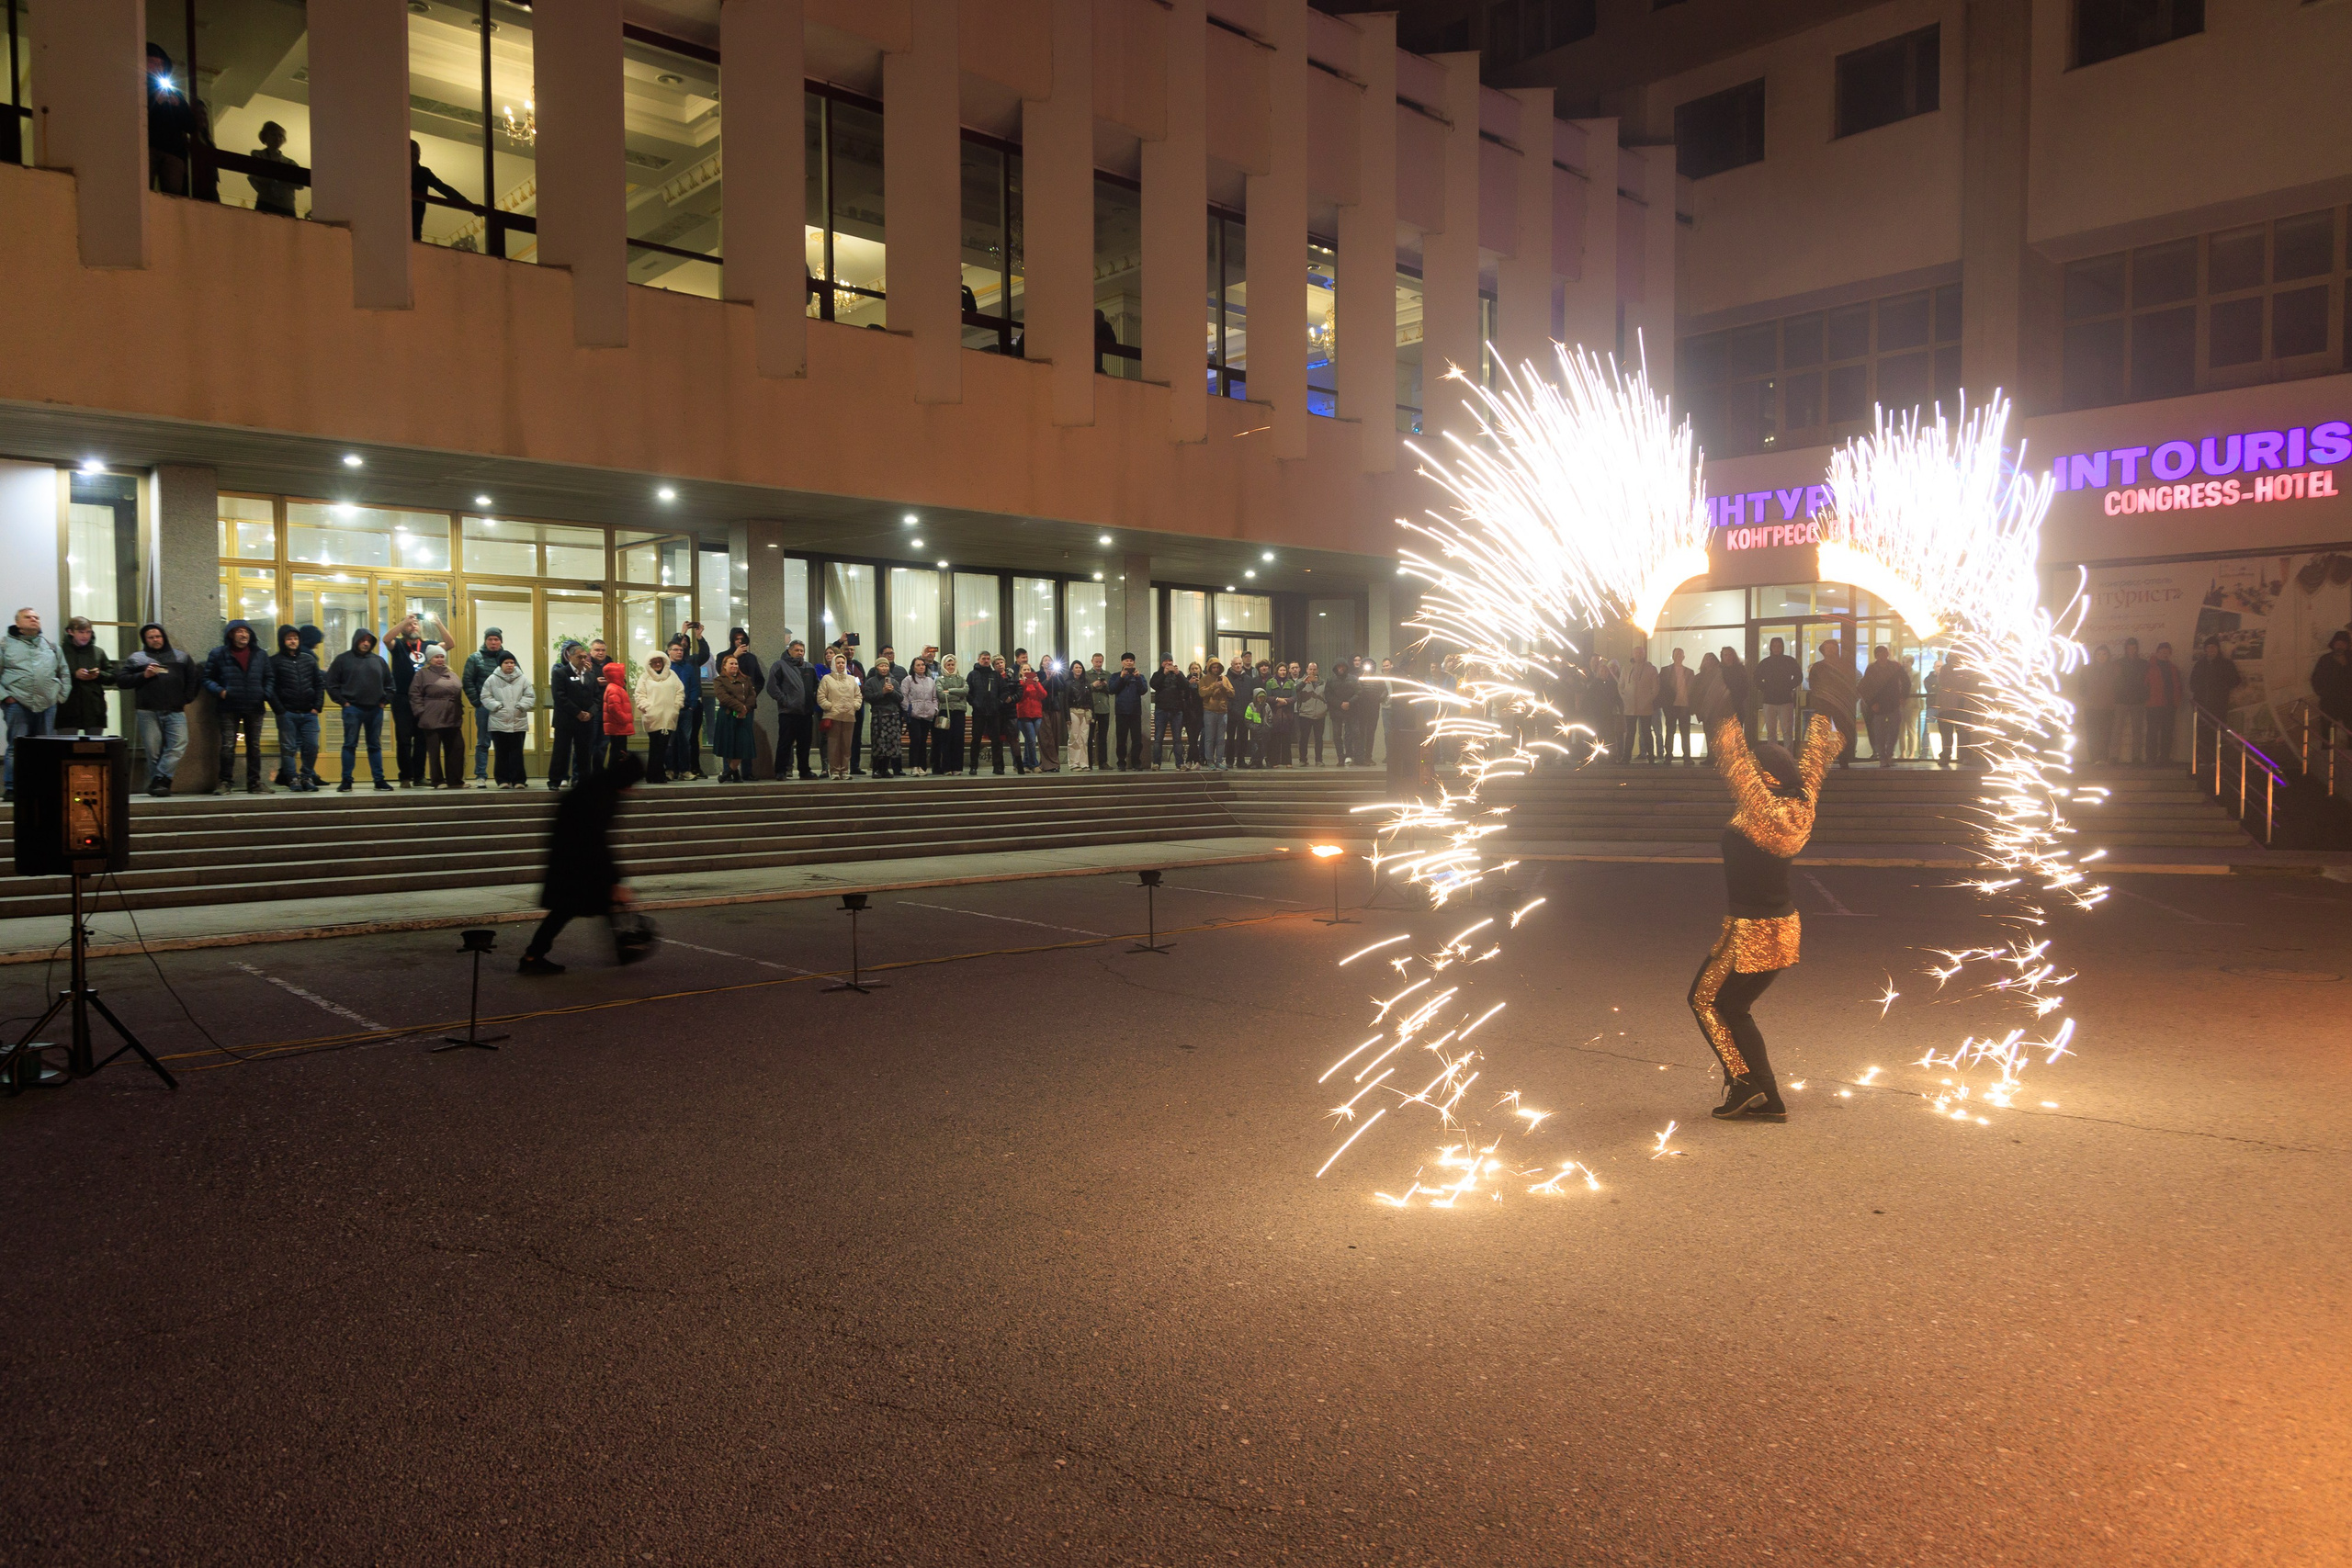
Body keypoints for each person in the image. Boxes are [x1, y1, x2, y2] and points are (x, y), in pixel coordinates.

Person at [1685, 656, 1838, 1122]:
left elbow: (1733, 756)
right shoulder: (1801, 806)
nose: (1745, 775)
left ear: (1764, 780)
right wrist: (1826, 710)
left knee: (1706, 1000)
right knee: (1737, 1006)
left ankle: (1744, 1082)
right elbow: (1815, 762)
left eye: (1755, 771)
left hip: (1752, 930)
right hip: (1784, 926)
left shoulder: (1761, 812)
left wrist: (1718, 704)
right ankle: (1766, 1096)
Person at [518, 748, 647, 975]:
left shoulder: (600, 786)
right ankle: (532, 956)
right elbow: (596, 838)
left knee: (578, 907)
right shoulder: (602, 794)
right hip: (575, 860)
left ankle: (621, 949)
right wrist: (615, 881)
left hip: (574, 856)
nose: (631, 789)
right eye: (631, 782)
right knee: (565, 909)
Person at [120, 622, 202, 795]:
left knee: (179, 744)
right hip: (147, 711)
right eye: (151, 637)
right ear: (145, 639)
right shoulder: (137, 658)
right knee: (153, 751)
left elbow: (194, 679)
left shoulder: (181, 657)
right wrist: (144, 675)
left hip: (175, 710)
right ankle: (161, 786)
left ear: (163, 637)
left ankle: (159, 779)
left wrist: (186, 698)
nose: (155, 640)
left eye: (158, 636)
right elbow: (122, 680)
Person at [2, 607, 67, 801]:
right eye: (28, 617)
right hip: (17, 704)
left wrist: (59, 696)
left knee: (47, 747)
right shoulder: (4, 645)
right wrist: (5, 697)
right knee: (17, 746)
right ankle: (12, 787)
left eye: (36, 617)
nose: (34, 620)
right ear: (17, 623)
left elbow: (64, 673)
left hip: (47, 705)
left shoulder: (51, 646)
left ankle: (44, 785)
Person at [202, 617, 271, 794]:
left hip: (254, 706)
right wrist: (220, 691)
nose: (244, 634)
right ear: (231, 634)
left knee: (254, 746)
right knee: (227, 746)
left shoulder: (260, 654)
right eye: (239, 631)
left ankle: (254, 783)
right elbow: (207, 678)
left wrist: (263, 693)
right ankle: (225, 782)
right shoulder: (218, 654)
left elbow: (270, 677)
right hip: (228, 707)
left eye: (246, 631)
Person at [324, 627, 391, 792]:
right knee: (350, 744)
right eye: (362, 640)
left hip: (375, 709)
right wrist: (343, 702)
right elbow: (331, 684)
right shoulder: (343, 660)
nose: (366, 643)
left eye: (369, 640)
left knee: (374, 745)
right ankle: (346, 780)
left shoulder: (379, 661)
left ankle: (379, 780)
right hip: (352, 709)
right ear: (356, 641)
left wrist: (383, 702)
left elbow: (390, 685)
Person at [265, 622, 326, 791]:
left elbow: (319, 683)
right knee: (288, 748)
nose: (293, 641)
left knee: (312, 746)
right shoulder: (274, 661)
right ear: (282, 641)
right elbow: (269, 688)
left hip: (309, 713)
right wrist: (280, 710)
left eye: (295, 638)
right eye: (289, 638)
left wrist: (317, 706)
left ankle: (307, 777)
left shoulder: (308, 659)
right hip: (287, 713)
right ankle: (292, 778)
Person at [386, 613, 434, 785]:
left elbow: (450, 644)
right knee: (404, 739)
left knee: (422, 739)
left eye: (415, 624)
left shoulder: (427, 645)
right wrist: (403, 621)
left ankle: (419, 776)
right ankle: (405, 776)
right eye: (410, 624)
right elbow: (386, 639)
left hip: (423, 699)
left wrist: (438, 622)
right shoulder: (398, 644)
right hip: (402, 698)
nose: (413, 626)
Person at [410, 646, 468, 788]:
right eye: (436, 657)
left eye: (442, 656)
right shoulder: (422, 674)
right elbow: (415, 694)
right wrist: (421, 712)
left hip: (452, 717)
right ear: (430, 659)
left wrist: (459, 712)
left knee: (457, 748)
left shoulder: (452, 673)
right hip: (432, 716)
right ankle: (437, 780)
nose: (440, 659)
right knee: (434, 751)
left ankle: (455, 780)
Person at [548, 641, 600, 788]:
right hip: (566, 720)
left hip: (586, 721)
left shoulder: (590, 675)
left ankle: (584, 781)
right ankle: (555, 781)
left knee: (584, 752)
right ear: (570, 657)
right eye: (580, 657)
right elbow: (560, 696)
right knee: (561, 752)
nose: (583, 660)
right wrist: (577, 712)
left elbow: (597, 697)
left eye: (585, 657)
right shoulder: (560, 673)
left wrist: (590, 713)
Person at [481, 652, 535, 787]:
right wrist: (497, 706)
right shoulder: (492, 679)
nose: (510, 665)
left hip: (518, 721)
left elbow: (530, 696)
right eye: (506, 662)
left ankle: (519, 780)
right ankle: (502, 780)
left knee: (517, 753)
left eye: (512, 662)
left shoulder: (523, 679)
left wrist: (521, 706)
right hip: (498, 722)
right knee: (501, 753)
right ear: (501, 664)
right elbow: (485, 696)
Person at [55, 616, 116, 737]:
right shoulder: (59, 652)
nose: (85, 636)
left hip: (94, 708)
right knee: (66, 749)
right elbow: (51, 677)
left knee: (94, 749)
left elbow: (112, 677)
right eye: (81, 632)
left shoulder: (98, 652)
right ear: (70, 632)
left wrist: (99, 674)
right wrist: (74, 675)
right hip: (67, 707)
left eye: (88, 632)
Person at [462, 626, 506, 783]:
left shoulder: (507, 658)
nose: (493, 642)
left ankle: (505, 777)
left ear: (501, 641)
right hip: (484, 708)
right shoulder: (475, 658)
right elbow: (467, 681)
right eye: (490, 639)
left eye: (496, 639)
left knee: (504, 743)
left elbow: (518, 678)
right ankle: (481, 775)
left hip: (504, 709)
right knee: (483, 742)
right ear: (485, 640)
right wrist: (478, 703)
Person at [1805, 638, 1858, 767]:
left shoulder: (1844, 666)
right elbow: (1814, 684)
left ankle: (1844, 759)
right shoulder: (1818, 667)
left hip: (1841, 704)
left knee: (1843, 731)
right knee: (1822, 732)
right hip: (1824, 704)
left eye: (1833, 648)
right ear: (1823, 650)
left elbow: (1852, 682)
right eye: (1828, 648)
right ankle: (1820, 759)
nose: (1830, 650)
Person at [633, 651, 684, 784]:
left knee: (662, 747)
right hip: (652, 718)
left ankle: (656, 774)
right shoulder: (645, 677)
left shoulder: (672, 675)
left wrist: (676, 707)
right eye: (654, 662)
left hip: (669, 717)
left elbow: (680, 691)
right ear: (649, 664)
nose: (657, 664)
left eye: (659, 662)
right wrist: (647, 708)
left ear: (664, 662)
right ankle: (654, 775)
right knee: (655, 747)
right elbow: (639, 695)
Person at [769, 639, 817, 780]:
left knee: (805, 745)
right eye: (797, 650)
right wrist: (785, 701)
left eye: (802, 651)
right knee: (785, 743)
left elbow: (816, 686)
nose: (800, 653)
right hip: (788, 712)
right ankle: (780, 771)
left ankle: (804, 771)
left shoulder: (809, 667)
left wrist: (812, 699)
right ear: (789, 651)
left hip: (806, 713)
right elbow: (772, 687)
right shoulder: (780, 665)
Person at [708, 652, 758, 783]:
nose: (734, 666)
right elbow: (723, 697)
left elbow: (752, 695)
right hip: (728, 717)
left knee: (742, 746)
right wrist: (740, 707)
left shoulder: (746, 679)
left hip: (744, 717)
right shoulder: (719, 680)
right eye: (731, 663)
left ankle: (729, 771)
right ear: (724, 666)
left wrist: (746, 708)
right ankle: (735, 773)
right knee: (730, 746)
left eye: (736, 663)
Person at [1858, 645, 1909, 768]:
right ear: (1876, 656)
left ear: (1887, 654)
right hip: (1881, 705)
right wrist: (1872, 703)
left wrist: (1903, 696)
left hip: (1889, 704)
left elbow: (1906, 681)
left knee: (1891, 730)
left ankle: (1887, 754)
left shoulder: (1884, 668)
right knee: (1882, 732)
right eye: (1880, 654)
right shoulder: (1889, 667)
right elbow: (1864, 687)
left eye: (1884, 653)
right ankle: (1884, 755)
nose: (1882, 656)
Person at [410, 140, 469, 243]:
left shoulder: (423, 173)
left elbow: (444, 188)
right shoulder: (394, 172)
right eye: (411, 155)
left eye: (416, 155)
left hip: (414, 228)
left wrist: (468, 205)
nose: (414, 159)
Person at [818, 651, 862, 779]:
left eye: (843, 663)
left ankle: (845, 770)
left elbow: (858, 695)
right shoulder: (827, 679)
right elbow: (821, 696)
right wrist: (830, 706)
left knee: (846, 745)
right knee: (833, 745)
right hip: (833, 716)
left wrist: (855, 706)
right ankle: (835, 771)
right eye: (838, 663)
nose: (841, 665)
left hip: (849, 716)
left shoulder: (852, 679)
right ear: (833, 664)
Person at [865, 650, 907, 779]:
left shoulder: (894, 681)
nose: (884, 668)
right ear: (876, 667)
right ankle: (876, 769)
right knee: (879, 743)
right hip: (879, 716)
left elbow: (900, 698)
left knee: (890, 744)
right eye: (881, 666)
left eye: (886, 666)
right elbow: (868, 697)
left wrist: (892, 691)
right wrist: (882, 692)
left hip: (893, 716)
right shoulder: (870, 682)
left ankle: (885, 769)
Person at [667, 635, 704, 780]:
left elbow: (694, 688)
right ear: (668, 651)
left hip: (686, 711)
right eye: (675, 649)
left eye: (681, 650)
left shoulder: (689, 668)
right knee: (669, 742)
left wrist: (691, 706)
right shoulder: (665, 668)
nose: (679, 652)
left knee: (685, 742)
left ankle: (685, 770)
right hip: (669, 711)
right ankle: (669, 770)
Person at [1753, 637, 1802, 746]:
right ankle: (1774, 755)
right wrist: (1766, 688)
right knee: (1772, 732)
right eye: (1774, 646)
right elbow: (1756, 678)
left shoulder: (1788, 661)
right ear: (1771, 647)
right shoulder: (1766, 663)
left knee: (1787, 731)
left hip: (1783, 700)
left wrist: (1787, 686)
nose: (1776, 648)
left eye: (1779, 646)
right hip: (1771, 700)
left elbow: (1799, 676)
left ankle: (1787, 756)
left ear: (1782, 647)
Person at [249, 119, 300, 218]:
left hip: (287, 206)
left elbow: (300, 184)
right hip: (266, 203)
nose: (277, 138)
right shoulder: (258, 154)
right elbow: (258, 175)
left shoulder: (291, 162)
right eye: (273, 134)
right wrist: (285, 179)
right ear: (265, 137)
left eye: (280, 136)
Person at [2112, 637, 2151, 765]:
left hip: (2137, 701)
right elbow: (2115, 682)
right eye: (2129, 647)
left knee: (2137, 730)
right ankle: (2113, 756)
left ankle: (2136, 757)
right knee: (2117, 729)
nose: (2131, 650)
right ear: (2125, 648)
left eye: (2134, 647)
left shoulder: (2143, 663)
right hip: (2121, 700)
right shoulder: (2119, 663)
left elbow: (2147, 682)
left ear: (2137, 648)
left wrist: (2144, 696)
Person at [2076, 644, 2117, 765]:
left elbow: (2119, 687)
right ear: (2095, 656)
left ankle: (2103, 758)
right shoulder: (2086, 669)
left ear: (2108, 655)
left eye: (2104, 654)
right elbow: (2081, 687)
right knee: (2092, 734)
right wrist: (2086, 699)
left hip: (2108, 707)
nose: (2101, 657)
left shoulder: (2114, 669)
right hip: (2091, 707)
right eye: (2099, 654)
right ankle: (2093, 758)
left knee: (2106, 734)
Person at [2309, 630, 2352, 738]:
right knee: (2327, 729)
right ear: (2333, 644)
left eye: (2343, 644)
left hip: (2349, 701)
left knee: (2350, 729)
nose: (2340, 646)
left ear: (2347, 645)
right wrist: (2322, 693)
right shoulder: (2325, 659)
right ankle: (2327, 752)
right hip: (2329, 701)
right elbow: (2316, 679)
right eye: (2338, 644)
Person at [2146, 642, 2183, 765]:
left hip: (2169, 705)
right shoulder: (2148, 667)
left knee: (2167, 733)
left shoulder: (2173, 668)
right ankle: (2151, 758)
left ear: (2170, 653)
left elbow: (2177, 686)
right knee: (2152, 732)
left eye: (2167, 652)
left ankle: (2164, 758)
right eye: (2162, 652)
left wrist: (2176, 702)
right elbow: (2144, 685)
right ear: (2157, 653)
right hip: (2153, 705)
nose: (2164, 655)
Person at [1619, 650, 1659, 762]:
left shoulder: (1651, 669)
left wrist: (1648, 700)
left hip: (1645, 707)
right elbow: (1621, 685)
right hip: (1630, 707)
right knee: (1630, 733)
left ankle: (1651, 756)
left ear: (1644, 655)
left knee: (1646, 732)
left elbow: (1655, 688)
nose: (1638, 655)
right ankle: (1626, 756)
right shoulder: (1626, 669)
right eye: (1636, 653)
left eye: (1640, 653)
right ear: (1633, 655)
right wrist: (1625, 699)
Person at [902, 657, 940, 775]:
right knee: (916, 739)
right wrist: (909, 709)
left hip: (927, 715)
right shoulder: (908, 680)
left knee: (923, 741)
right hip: (914, 715)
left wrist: (934, 709)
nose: (921, 667)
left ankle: (922, 767)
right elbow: (903, 696)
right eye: (918, 665)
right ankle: (914, 766)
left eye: (923, 665)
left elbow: (935, 698)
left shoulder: (930, 681)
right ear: (913, 667)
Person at [1657, 648, 1695, 762]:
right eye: (1676, 654)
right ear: (1673, 656)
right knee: (1671, 731)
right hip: (1671, 706)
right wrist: (1664, 704)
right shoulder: (1665, 671)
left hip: (1684, 705)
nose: (1678, 656)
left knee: (1684, 732)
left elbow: (1693, 690)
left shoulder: (1689, 672)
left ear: (1683, 657)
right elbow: (1661, 689)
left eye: (1680, 654)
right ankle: (1669, 755)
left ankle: (1686, 756)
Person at [1149, 655, 1187, 769]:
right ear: (1161, 663)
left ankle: (1179, 763)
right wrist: (1164, 674)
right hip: (1161, 710)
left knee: (1177, 739)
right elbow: (1154, 685)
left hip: (1176, 710)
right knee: (1158, 738)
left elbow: (1185, 685)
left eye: (1170, 660)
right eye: (1166, 661)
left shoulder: (1178, 674)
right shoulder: (1157, 675)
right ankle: (1156, 763)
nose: (1168, 663)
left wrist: (1178, 674)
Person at [1110, 653, 1146, 770]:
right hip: (1121, 711)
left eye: (1131, 661)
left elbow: (1143, 690)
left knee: (1137, 740)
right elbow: (1112, 689)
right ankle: (1121, 762)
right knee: (1121, 740)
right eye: (1126, 660)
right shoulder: (1115, 676)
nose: (1129, 662)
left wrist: (1138, 678)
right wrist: (1121, 677)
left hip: (1135, 712)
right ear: (1122, 662)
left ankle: (1136, 762)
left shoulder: (1140, 676)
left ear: (1134, 663)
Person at [598, 658, 636, 770]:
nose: (623, 676)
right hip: (618, 727)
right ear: (616, 675)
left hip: (618, 727)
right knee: (618, 752)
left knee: (618, 751)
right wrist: (626, 719)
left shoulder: (615, 688)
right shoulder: (614, 689)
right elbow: (614, 708)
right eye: (621, 674)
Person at [936, 655, 968, 774]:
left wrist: (949, 691)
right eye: (948, 665)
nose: (950, 667)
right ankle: (947, 767)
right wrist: (958, 694)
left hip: (959, 712)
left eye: (952, 665)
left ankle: (957, 767)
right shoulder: (940, 679)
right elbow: (940, 695)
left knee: (958, 740)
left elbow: (965, 691)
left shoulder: (961, 678)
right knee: (946, 739)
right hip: (945, 712)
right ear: (944, 666)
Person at [1197, 660, 1231, 771]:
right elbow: (1202, 693)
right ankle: (1210, 760)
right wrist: (1214, 686)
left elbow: (1232, 693)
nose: (1216, 669)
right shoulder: (1204, 679)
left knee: (1221, 738)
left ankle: (1219, 761)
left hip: (1222, 712)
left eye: (1217, 667)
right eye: (1213, 667)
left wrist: (1224, 688)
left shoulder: (1225, 679)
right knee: (1209, 738)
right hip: (1209, 711)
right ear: (1210, 668)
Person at [1296, 662, 1329, 765]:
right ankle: (1303, 759)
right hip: (1305, 714)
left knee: (1319, 738)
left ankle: (1319, 760)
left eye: (1314, 669)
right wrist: (1303, 683)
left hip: (1320, 714)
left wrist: (1325, 708)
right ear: (1306, 670)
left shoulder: (1323, 682)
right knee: (1304, 738)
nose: (1312, 671)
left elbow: (1328, 696)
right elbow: (1294, 691)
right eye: (1310, 669)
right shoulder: (1300, 682)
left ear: (1318, 670)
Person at [1085, 653, 1114, 770]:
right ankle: (1088, 762)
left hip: (1104, 709)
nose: (1098, 664)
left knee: (1103, 737)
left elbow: (1112, 690)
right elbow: (1083, 689)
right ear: (1092, 661)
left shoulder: (1107, 674)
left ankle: (1103, 762)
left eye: (1100, 662)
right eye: (1096, 662)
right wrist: (1092, 685)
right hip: (1091, 708)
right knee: (1089, 736)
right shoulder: (1087, 675)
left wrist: (1106, 685)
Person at [1063, 658, 1093, 771]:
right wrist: (1067, 717)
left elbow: (1090, 699)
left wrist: (1093, 715)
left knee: (1084, 738)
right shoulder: (1068, 683)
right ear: (1072, 670)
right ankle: (1074, 763)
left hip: (1086, 712)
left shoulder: (1086, 682)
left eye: (1080, 667)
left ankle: (1084, 763)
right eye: (1076, 667)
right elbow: (1065, 701)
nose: (1078, 669)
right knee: (1074, 737)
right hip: (1073, 711)